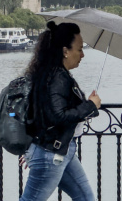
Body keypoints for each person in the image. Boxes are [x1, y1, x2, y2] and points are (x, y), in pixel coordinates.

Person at [19, 21, 101, 201]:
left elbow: (40, 113)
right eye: (79, 49)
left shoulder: (49, 74)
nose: (83, 55)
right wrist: (91, 106)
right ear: (65, 51)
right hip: (51, 153)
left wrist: (32, 148)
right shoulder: (58, 78)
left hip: (60, 150)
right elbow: (58, 116)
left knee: (86, 198)